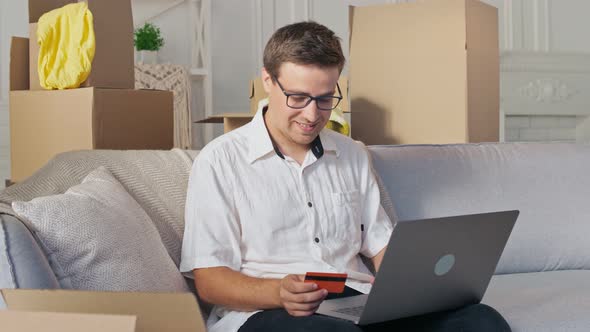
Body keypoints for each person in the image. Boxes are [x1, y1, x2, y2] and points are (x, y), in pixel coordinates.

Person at [180, 21, 511, 332]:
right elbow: (210, 280)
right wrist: (278, 292)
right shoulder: (220, 160)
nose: (312, 115)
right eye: (297, 98)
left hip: (352, 302)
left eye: (325, 99)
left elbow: (381, 246)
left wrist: (418, 291)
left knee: (482, 321)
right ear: (267, 80)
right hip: (268, 310)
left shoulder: (352, 154)